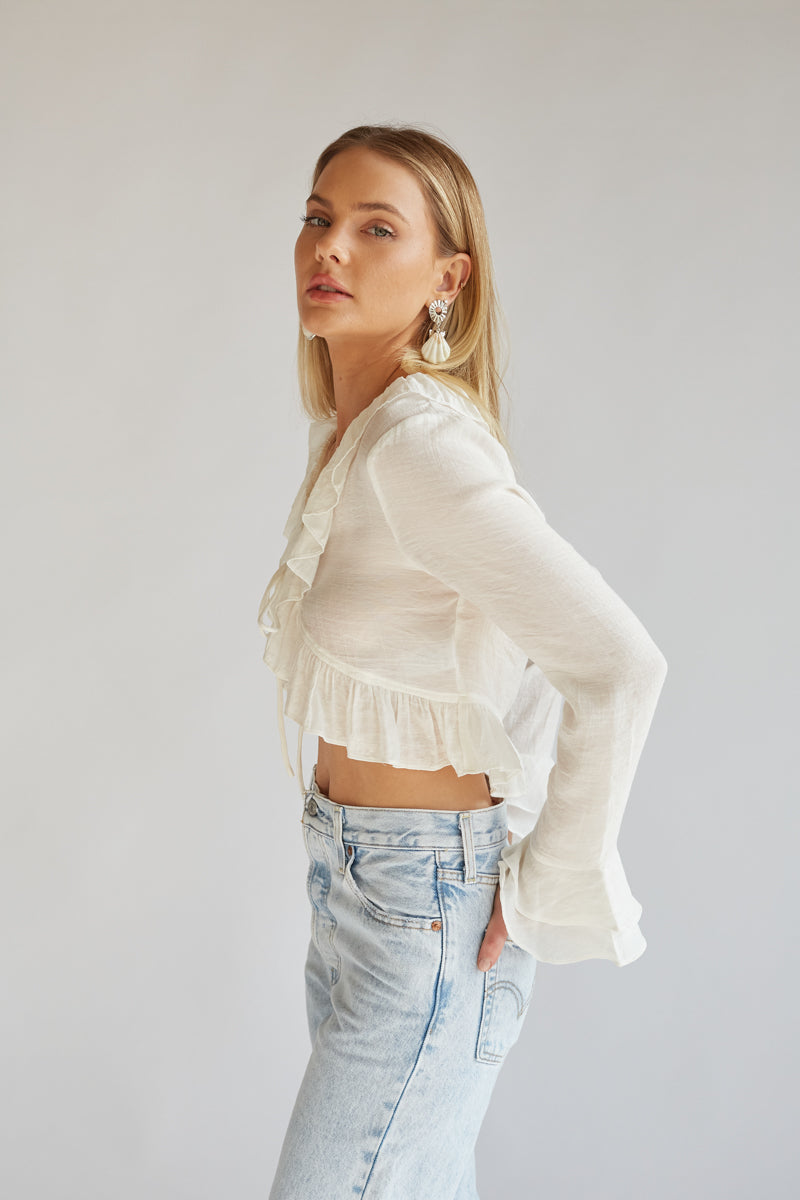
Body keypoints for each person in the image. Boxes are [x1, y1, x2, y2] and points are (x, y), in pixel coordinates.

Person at [258, 123, 668, 1200]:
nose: (328, 246)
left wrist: (534, 881)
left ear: (449, 279)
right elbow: (506, 667)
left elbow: (616, 664)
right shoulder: (357, 436)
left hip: (422, 904)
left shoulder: (417, 447)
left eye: (374, 228)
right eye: (318, 217)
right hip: (360, 887)